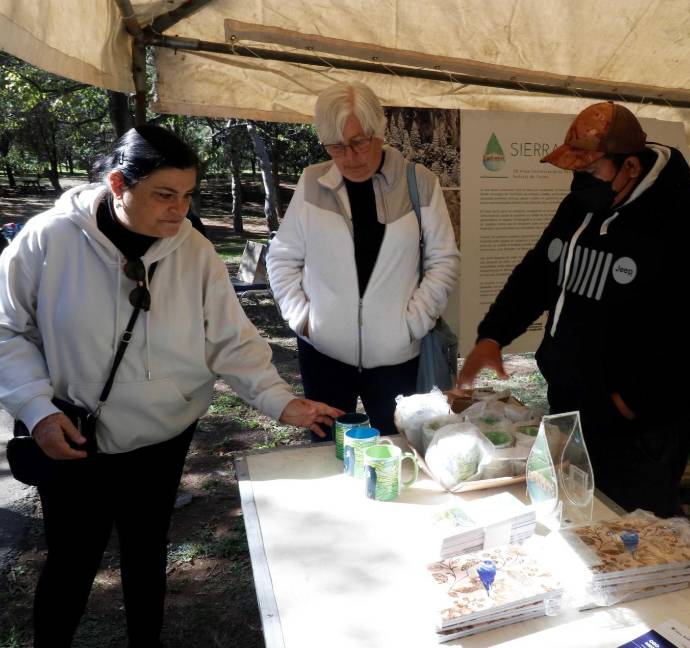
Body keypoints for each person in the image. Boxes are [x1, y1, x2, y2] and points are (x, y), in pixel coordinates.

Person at [0, 125, 341, 647]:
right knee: (72, 560)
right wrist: (37, 409)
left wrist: (280, 399)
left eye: (187, 196)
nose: (178, 210)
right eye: (164, 194)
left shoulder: (196, 251)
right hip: (73, 437)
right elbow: (7, 328)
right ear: (118, 184)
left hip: (162, 438)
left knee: (146, 551)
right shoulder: (48, 239)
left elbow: (231, 340)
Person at [457, 102, 690, 517]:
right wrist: (494, 334)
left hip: (642, 428)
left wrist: (631, 403)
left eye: (589, 172)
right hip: (571, 404)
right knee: (572, 521)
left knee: (628, 536)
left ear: (629, 166)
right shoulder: (582, 208)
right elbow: (539, 271)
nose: (579, 183)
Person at [267, 81, 459, 438]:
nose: (350, 156)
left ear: (379, 130)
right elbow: (281, 258)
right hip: (324, 354)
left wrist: (412, 324)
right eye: (337, 146)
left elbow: (443, 261)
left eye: (359, 142)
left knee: (401, 451)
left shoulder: (420, 183)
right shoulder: (312, 183)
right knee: (327, 457)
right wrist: (304, 321)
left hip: (398, 359)